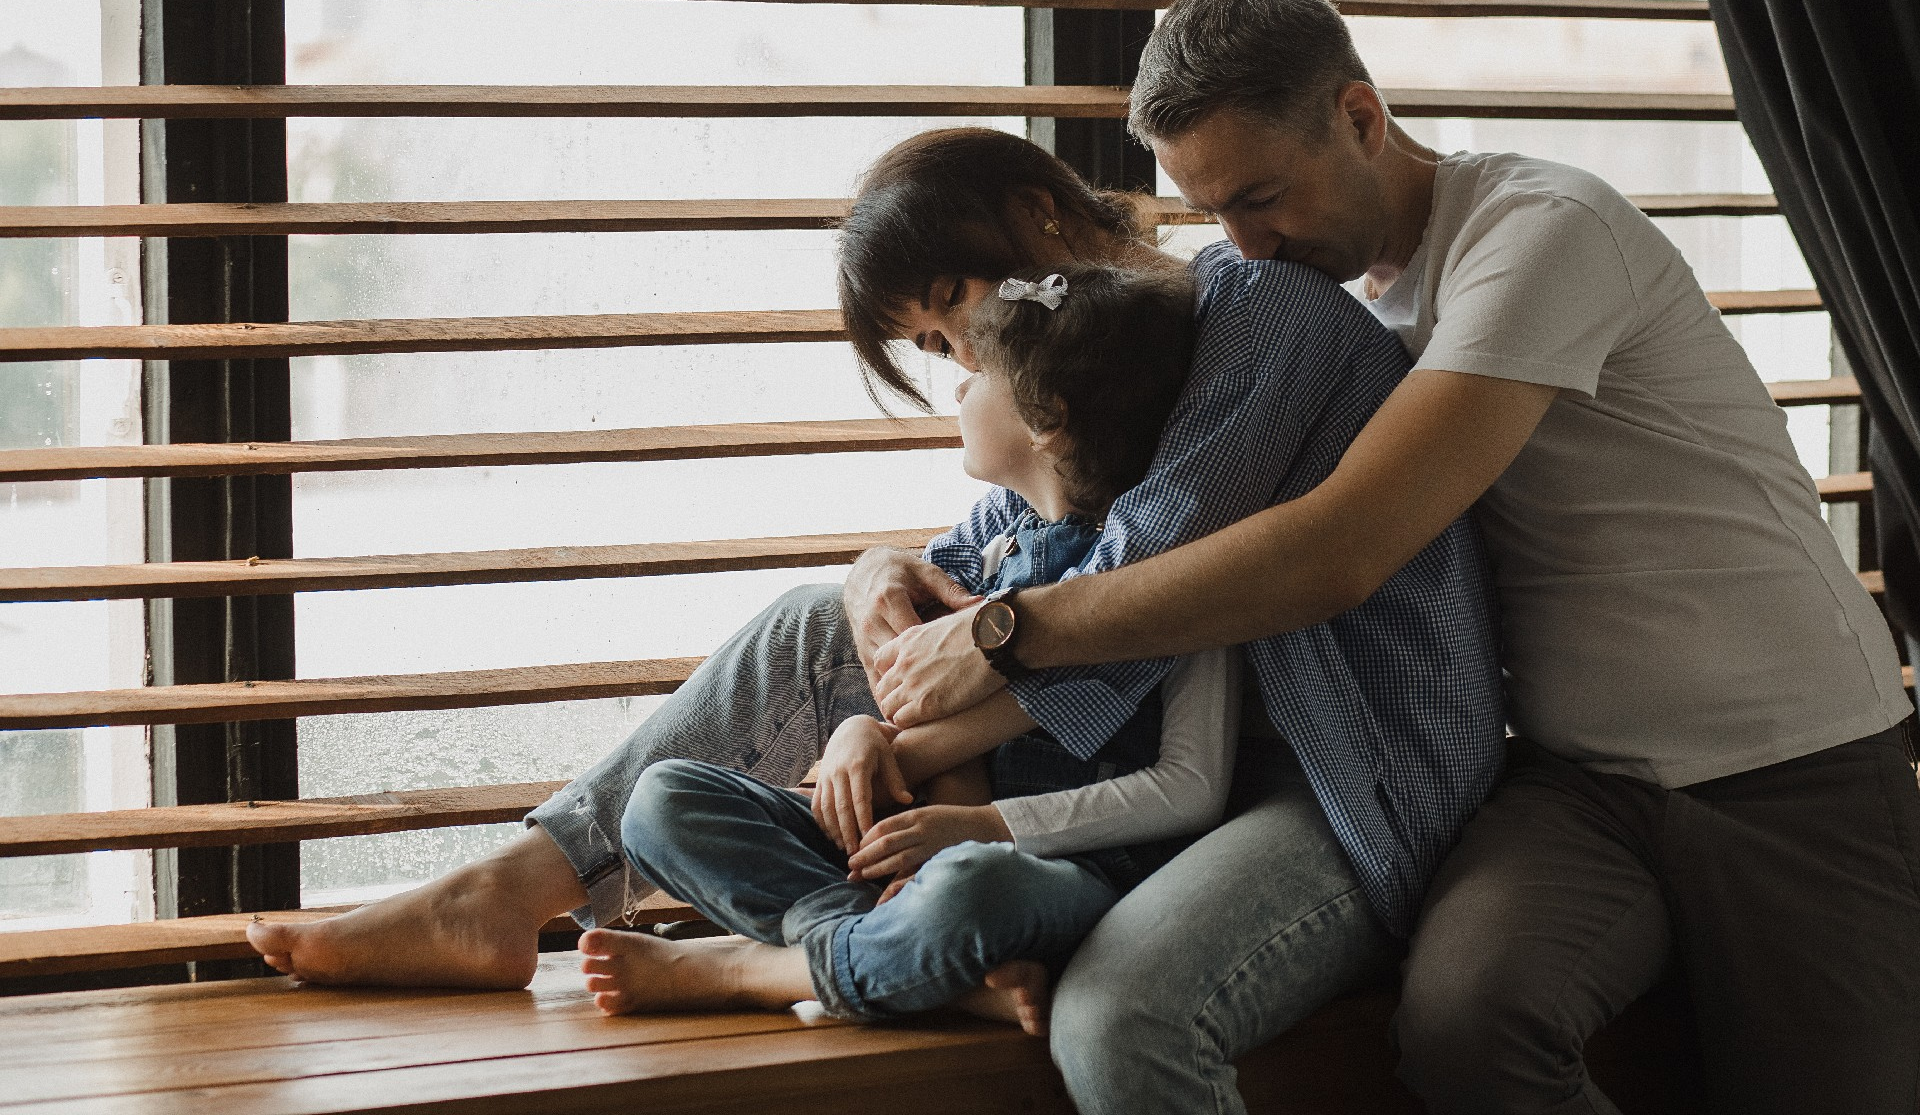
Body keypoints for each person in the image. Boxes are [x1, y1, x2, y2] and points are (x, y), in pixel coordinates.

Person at [248, 125, 1504, 1115]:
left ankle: (809, 961)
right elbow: (1012, 557)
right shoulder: (1100, 368)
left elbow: (1136, 588)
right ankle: (510, 887)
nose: (961, 356)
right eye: (934, 340)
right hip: (1163, 740)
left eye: (953, 303)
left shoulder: (1256, 316)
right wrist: (876, 573)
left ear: (1042, 224)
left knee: (1115, 1005)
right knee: (814, 623)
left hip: (1333, 771)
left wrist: (897, 724)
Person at [870, 0, 1920, 1115]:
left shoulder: (1538, 234)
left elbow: (1339, 550)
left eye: (1262, 195)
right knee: (1469, 1028)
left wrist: (1011, 631)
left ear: (1361, 118)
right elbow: (1118, 491)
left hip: (1792, 760)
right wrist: (883, 566)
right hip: (1580, 780)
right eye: (1215, 208)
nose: (1246, 241)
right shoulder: (1303, 307)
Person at [578, 260, 1246, 1028]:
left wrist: (982, 830)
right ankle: (895, 957)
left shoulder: (1177, 577)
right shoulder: (989, 551)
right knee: (659, 804)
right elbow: (930, 705)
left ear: (1045, 419)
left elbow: (1190, 788)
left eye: (982, 372)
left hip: (1063, 870)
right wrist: (865, 732)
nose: (959, 386)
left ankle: (753, 969)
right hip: (921, 846)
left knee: (969, 892)